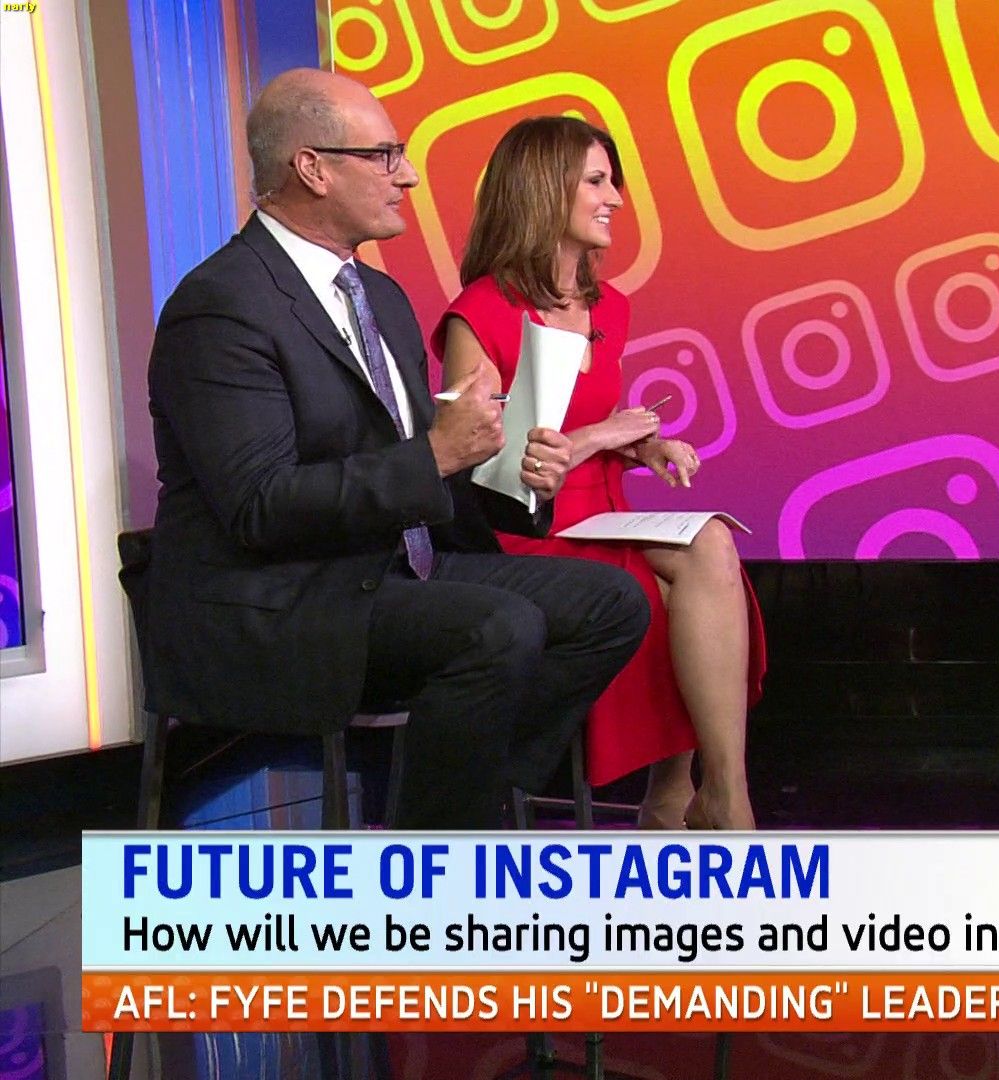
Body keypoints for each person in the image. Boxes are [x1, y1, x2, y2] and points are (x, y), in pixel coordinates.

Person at [144, 69, 650, 830]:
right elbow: (259, 506)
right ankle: (443, 841)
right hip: (285, 596)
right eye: (385, 156)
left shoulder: (378, 297)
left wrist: (514, 475)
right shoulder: (222, 306)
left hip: (389, 570)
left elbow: (426, 465)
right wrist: (438, 456)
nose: (407, 175)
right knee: (498, 627)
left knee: (611, 604)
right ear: (312, 168)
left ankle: (449, 807)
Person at [434, 116, 766, 830]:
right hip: (525, 530)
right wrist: (600, 436)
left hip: (602, 509)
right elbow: (474, 463)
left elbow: (588, 417)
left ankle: (720, 791)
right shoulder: (479, 313)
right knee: (664, 590)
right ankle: (678, 801)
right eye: (596, 181)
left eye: (612, 181)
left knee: (711, 541)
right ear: (543, 190)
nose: (615, 198)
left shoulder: (610, 304)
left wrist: (642, 447)